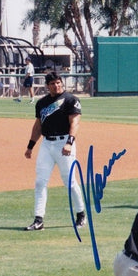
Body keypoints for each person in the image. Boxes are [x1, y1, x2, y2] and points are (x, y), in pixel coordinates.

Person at [23, 71, 86, 231]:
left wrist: (70, 143)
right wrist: (30, 146)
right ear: (47, 86)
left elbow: (75, 122)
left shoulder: (71, 100)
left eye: (58, 82)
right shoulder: (42, 103)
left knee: (70, 182)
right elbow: (38, 126)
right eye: (52, 83)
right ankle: (38, 219)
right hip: (47, 144)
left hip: (64, 143)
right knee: (40, 182)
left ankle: (81, 214)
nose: (56, 85)